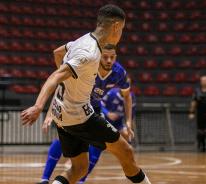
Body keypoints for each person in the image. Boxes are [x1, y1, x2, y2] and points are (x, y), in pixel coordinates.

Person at [21, 4, 151, 184]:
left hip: (62, 115)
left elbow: (57, 53)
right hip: (79, 117)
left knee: (79, 168)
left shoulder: (81, 41)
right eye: (121, 29)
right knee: (126, 151)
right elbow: (55, 75)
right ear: (115, 26)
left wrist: (69, 81)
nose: (121, 34)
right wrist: (38, 107)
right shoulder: (89, 53)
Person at [38, 44, 133, 184]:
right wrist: (49, 115)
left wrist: (129, 120)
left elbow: (127, 96)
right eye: (105, 56)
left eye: (112, 57)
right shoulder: (86, 65)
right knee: (60, 137)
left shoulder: (118, 72)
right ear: (98, 56)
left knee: (100, 142)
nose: (108, 60)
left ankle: (81, 181)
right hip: (75, 105)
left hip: (94, 109)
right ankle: (44, 179)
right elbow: (62, 85)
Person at [77, 87, 136, 183]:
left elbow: (132, 111)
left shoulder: (130, 96)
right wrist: (108, 114)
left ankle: (122, 156)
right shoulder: (112, 93)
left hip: (117, 123)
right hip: (105, 121)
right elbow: (99, 104)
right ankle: (80, 175)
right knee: (93, 149)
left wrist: (130, 122)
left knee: (127, 135)